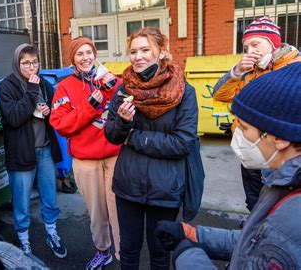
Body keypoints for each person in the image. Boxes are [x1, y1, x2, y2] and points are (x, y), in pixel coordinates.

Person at [155, 62, 301, 269]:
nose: (237, 133)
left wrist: (187, 254)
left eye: (244, 126)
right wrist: (191, 235)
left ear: (280, 138)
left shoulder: (293, 220)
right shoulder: (285, 181)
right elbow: (253, 241)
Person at [104, 27, 198, 270]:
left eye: (146, 50)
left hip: (165, 188)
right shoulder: (124, 89)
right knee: (128, 249)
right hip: (128, 185)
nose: (138, 56)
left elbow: (182, 143)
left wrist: (133, 136)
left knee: (159, 252)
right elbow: (112, 136)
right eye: (133, 51)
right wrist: (123, 123)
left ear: (161, 52)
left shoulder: (184, 92)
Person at [213, 16, 301, 211]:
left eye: (255, 44)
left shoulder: (294, 69)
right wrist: (236, 71)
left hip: (280, 153)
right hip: (251, 148)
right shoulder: (250, 71)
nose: (250, 51)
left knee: (278, 205)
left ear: (273, 44)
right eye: (246, 47)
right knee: (254, 201)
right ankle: (251, 230)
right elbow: (220, 94)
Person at [50, 37, 122, 269]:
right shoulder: (64, 87)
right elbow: (61, 124)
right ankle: (103, 250)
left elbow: (129, 106)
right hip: (85, 160)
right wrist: (89, 106)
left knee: (119, 209)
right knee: (97, 212)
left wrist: (117, 90)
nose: (85, 58)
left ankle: (124, 256)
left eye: (89, 52)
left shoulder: (109, 77)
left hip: (115, 155)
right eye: (79, 54)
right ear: (72, 59)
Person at [0, 43, 67, 258]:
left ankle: (52, 232)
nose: (31, 68)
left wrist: (48, 112)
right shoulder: (6, 87)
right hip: (21, 152)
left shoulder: (45, 84)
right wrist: (31, 91)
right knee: (22, 200)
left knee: (50, 196)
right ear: (17, 64)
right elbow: (14, 117)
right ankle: (24, 241)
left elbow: (56, 115)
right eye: (25, 63)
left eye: (34, 62)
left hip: (45, 150)